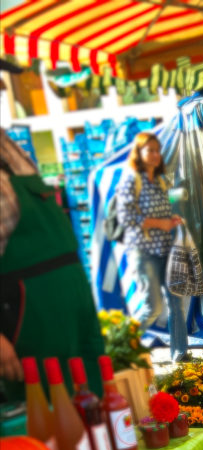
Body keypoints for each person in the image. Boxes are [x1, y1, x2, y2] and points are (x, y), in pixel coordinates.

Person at [0, 59, 104, 399]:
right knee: (45, 425)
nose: (2, 90)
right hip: (28, 329)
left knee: (93, 413)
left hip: (72, 320)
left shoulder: (6, 145)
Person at [115, 131, 190, 363]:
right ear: (139, 153)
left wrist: (173, 220)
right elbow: (126, 216)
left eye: (158, 150)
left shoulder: (160, 180)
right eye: (150, 150)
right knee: (152, 307)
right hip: (143, 251)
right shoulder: (130, 179)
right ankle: (119, 348)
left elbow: (164, 209)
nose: (156, 154)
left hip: (166, 249)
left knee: (176, 303)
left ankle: (180, 354)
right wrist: (161, 223)